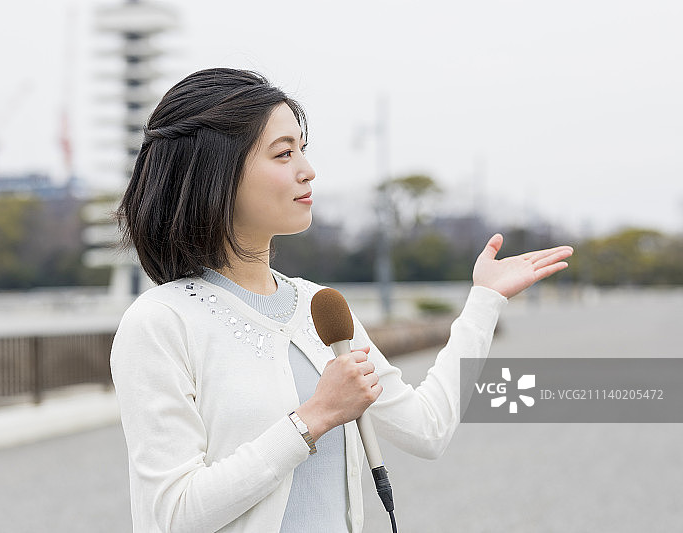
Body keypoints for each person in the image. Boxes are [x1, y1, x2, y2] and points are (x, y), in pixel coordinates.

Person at [111, 67, 573, 533]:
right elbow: (171, 516)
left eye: (302, 151)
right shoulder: (160, 322)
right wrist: (315, 417)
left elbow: (427, 428)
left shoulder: (321, 308)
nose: (307, 170)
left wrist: (483, 303)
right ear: (217, 170)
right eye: (283, 153)